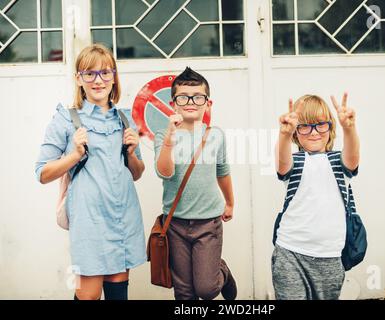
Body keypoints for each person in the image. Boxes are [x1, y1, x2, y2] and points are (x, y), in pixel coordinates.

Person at [35, 44, 146, 300]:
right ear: (79, 79)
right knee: (88, 296)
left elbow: (137, 173)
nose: (98, 80)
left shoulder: (125, 119)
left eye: (105, 73)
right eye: (90, 73)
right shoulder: (66, 118)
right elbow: (42, 173)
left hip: (122, 216)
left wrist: (131, 153)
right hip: (89, 222)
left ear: (114, 76)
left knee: (118, 295)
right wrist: (74, 155)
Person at [154, 67, 237, 300]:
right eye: (183, 97)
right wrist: (170, 139)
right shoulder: (163, 135)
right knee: (184, 291)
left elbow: (223, 171)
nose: (190, 101)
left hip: (208, 223)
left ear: (207, 103)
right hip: (175, 223)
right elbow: (164, 172)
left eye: (197, 97)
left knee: (206, 289)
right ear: (173, 104)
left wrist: (230, 203)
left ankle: (222, 272)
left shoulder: (216, 135)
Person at [272, 93, 360, 300]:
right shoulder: (295, 160)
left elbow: (353, 157)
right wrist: (284, 134)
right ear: (296, 132)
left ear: (330, 128)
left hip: (329, 256)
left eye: (321, 125)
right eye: (305, 126)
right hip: (290, 253)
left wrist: (349, 128)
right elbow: (282, 163)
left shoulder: (339, 161)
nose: (313, 132)